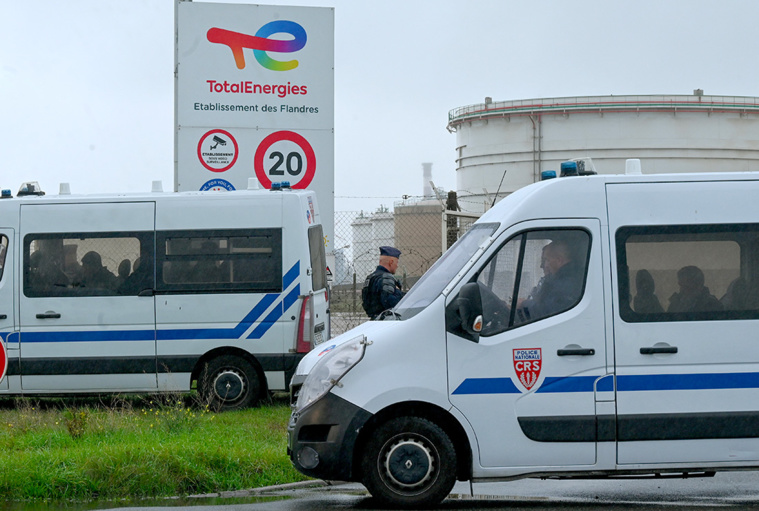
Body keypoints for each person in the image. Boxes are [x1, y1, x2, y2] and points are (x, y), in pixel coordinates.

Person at [518, 240, 584, 322]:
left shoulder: (566, 283)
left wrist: (523, 304)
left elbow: (546, 312)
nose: (545, 265)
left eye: (547, 260)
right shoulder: (559, 278)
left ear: (559, 260)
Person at [361, 246, 404, 319]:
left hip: (374, 320)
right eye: (397, 262)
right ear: (391, 262)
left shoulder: (371, 278)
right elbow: (392, 303)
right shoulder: (386, 278)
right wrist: (399, 293)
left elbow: (366, 303)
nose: (397, 266)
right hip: (387, 320)